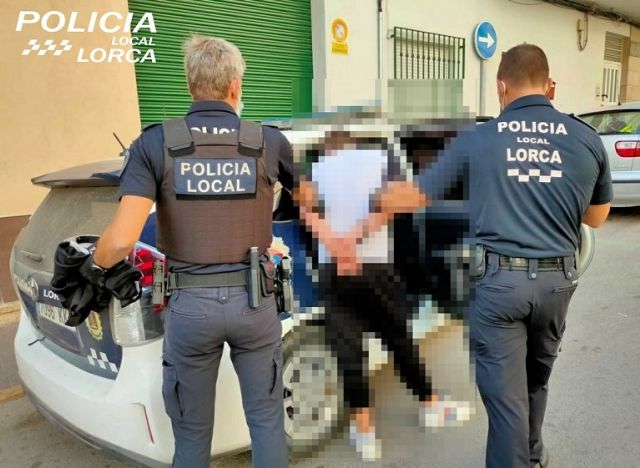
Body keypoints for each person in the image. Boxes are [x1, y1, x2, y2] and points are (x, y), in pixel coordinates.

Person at [92, 35, 292, 468]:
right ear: (235, 86)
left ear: (190, 85)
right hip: (255, 304)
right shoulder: (269, 142)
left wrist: (94, 266)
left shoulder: (154, 144)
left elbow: (121, 240)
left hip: (189, 308)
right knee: (266, 423)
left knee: (191, 435)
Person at [418, 44, 612, 468]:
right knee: (536, 378)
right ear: (551, 87)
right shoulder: (586, 138)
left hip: (499, 286)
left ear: (501, 87)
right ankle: (534, 452)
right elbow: (597, 218)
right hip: (558, 281)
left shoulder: (477, 139)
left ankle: (519, 455)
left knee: (506, 402)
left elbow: (423, 197)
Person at [295, 129, 472, 461]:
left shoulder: (314, 170)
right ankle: (431, 405)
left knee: (349, 349)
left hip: (332, 268)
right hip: (374, 263)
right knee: (398, 339)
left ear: (327, 149)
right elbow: (390, 207)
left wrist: (337, 246)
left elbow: (307, 213)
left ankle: (364, 432)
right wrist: (355, 238)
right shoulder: (379, 159)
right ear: (352, 144)